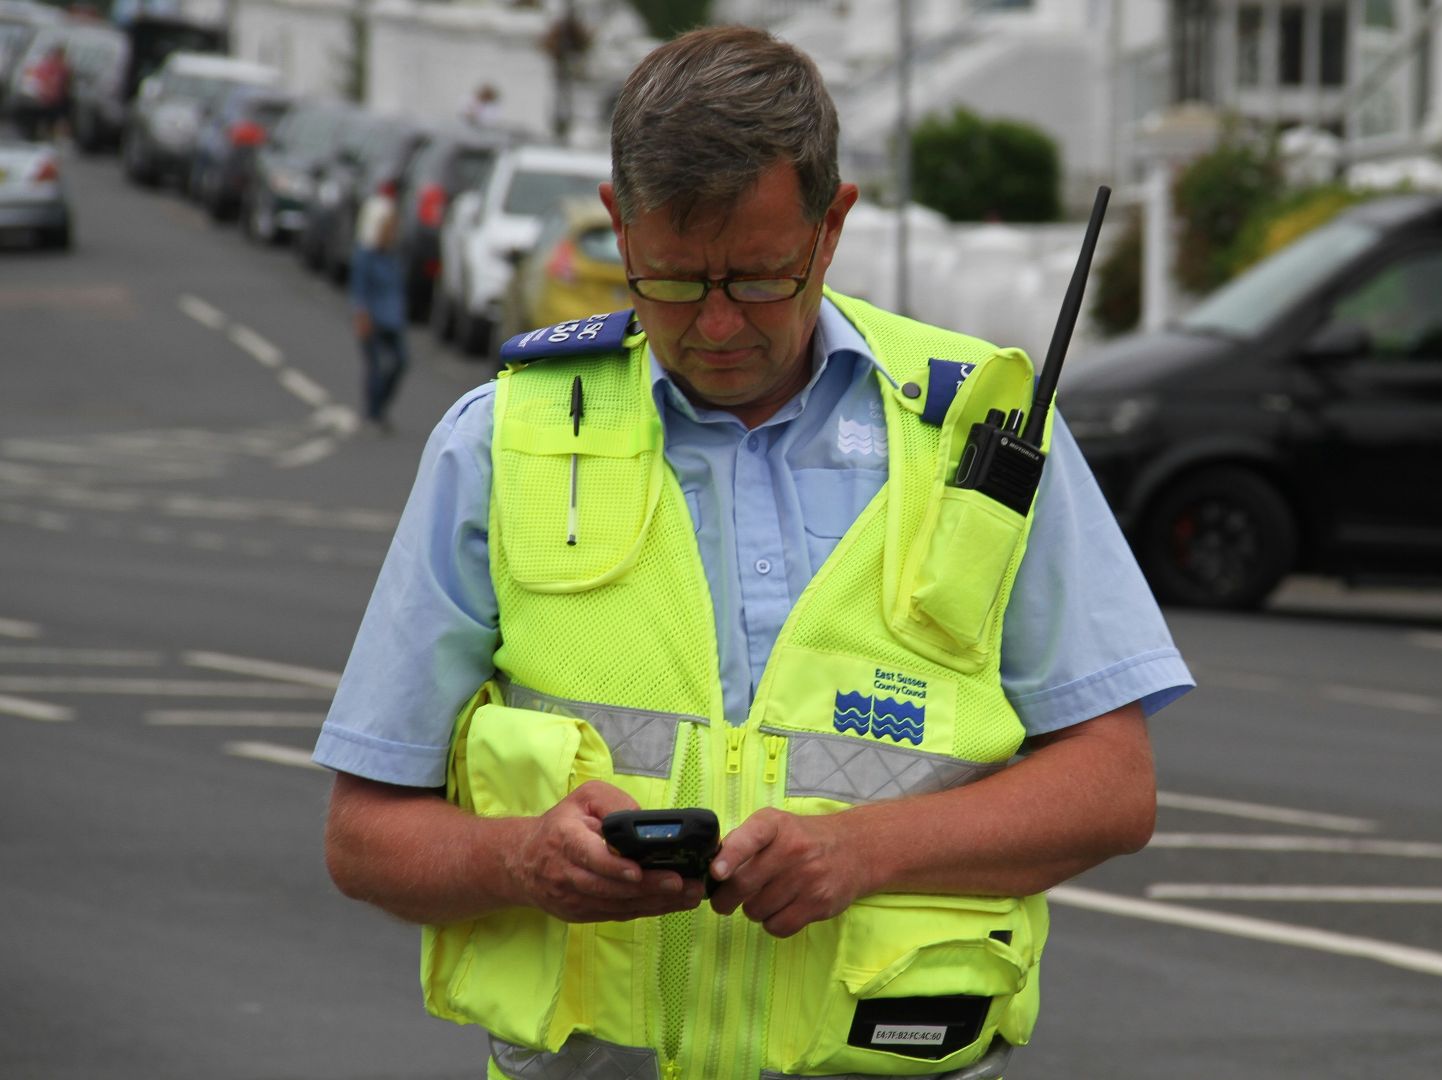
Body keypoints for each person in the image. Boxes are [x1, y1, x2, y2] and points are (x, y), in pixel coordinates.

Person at [315, 25, 1192, 1080]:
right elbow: (364, 834)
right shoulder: (500, 442)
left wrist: (862, 853)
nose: (718, 324)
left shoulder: (984, 435)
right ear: (617, 227)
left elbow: (1111, 787)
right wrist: (519, 857)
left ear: (833, 226)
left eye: (760, 278)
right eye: (673, 282)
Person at [348, 176, 408, 432]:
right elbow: (359, 289)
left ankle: (379, 408)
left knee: (400, 362)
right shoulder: (366, 256)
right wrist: (361, 316)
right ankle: (373, 413)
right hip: (374, 319)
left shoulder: (393, 255)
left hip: (393, 319)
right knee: (376, 367)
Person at [23, 44, 71, 143]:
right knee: (44, 119)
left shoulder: (63, 69)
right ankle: (41, 135)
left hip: (56, 100)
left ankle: (49, 136)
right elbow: (38, 82)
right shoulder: (46, 67)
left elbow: (64, 84)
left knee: (52, 119)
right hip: (44, 99)